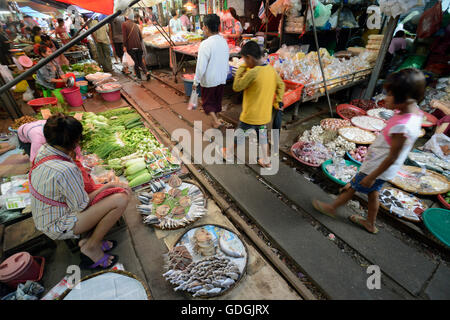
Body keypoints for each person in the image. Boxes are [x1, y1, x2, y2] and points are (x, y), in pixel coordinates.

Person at [312, 68, 426, 234]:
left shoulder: (404, 127)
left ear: (403, 99)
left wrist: (372, 176)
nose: (385, 98)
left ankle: (331, 208)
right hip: (380, 166)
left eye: (390, 95)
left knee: (352, 188)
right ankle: (370, 224)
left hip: (377, 168)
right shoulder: (412, 111)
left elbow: (393, 156)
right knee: (373, 194)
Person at [30, 114, 131, 269]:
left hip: (48, 215)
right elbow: (81, 205)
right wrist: (108, 186)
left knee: (111, 193)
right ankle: (91, 247)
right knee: (121, 198)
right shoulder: (65, 170)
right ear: (75, 141)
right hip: (58, 223)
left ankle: (88, 240)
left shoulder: (45, 150)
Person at [223, 41, 285, 168]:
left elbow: (237, 86)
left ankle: (228, 153)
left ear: (249, 58)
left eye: (245, 59)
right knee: (262, 137)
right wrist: (277, 101)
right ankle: (266, 160)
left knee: (240, 134)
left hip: (250, 115)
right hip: (263, 115)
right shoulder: (271, 70)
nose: (244, 62)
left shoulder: (252, 72)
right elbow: (281, 85)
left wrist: (242, 68)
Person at [192, 14, 229, 129]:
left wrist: (195, 81)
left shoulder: (205, 44)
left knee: (208, 103)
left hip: (210, 80)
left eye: (203, 26)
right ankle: (216, 120)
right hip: (222, 78)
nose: (203, 29)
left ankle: (216, 121)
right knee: (217, 101)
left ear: (207, 28)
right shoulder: (224, 41)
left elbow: (200, 66)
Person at [18, 119, 82, 163]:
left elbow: (75, 145)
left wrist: (78, 158)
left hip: (37, 126)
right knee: (34, 154)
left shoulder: (62, 130)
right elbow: (34, 161)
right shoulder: (39, 141)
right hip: (24, 134)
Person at [122, 12, 150, 81]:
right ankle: (146, 72)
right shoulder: (136, 25)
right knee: (140, 61)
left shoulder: (124, 24)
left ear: (127, 17)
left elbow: (124, 37)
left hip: (131, 47)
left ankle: (139, 77)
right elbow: (140, 37)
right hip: (139, 46)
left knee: (135, 63)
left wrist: (124, 46)